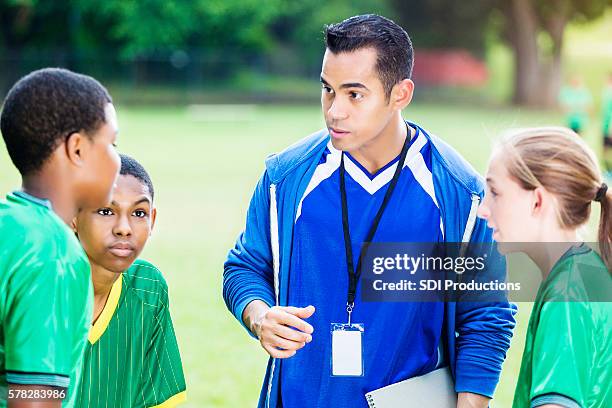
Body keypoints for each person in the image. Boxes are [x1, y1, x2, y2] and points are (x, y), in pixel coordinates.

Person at [223, 14, 516, 408]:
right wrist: (259, 317)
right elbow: (244, 267)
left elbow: (486, 317)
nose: (334, 111)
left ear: (401, 94)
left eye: (354, 94)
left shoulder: (460, 194)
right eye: (327, 90)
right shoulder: (284, 179)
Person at [0, 68, 120, 407]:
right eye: (112, 144)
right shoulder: (53, 252)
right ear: (78, 149)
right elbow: (34, 400)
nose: (117, 159)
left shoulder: (9, 224)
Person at [477, 127, 611, 408]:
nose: (483, 208)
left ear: (537, 201)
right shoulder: (588, 271)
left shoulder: (567, 293)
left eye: (495, 192)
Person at [72, 154, 186, 407]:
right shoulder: (34, 288)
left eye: (138, 212)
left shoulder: (148, 287)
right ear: (73, 216)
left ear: (153, 220)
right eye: (106, 211)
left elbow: (157, 400)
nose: (124, 228)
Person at [601, 73, 612, 176]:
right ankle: (608, 170)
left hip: (610, 127)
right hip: (605, 126)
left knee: (608, 150)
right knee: (604, 150)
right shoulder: (606, 92)